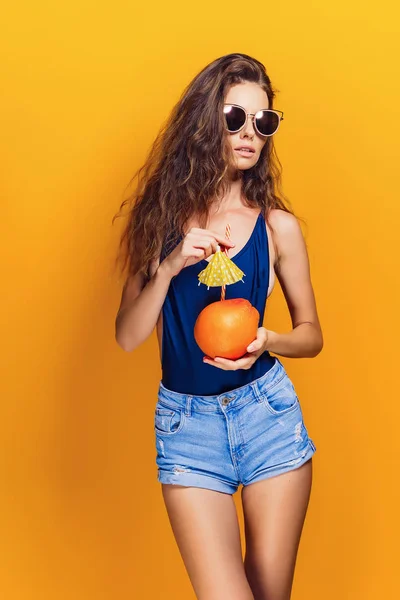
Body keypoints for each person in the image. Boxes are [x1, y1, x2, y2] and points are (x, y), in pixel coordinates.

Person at [113, 53, 323, 600]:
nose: (250, 133)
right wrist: (170, 265)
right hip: (188, 431)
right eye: (235, 118)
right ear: (206, 121)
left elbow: (312, 333)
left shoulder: (278, 227)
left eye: (263, 122)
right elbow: (129, 335)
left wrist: (268, 342)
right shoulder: (158, 221)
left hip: (267, 417)